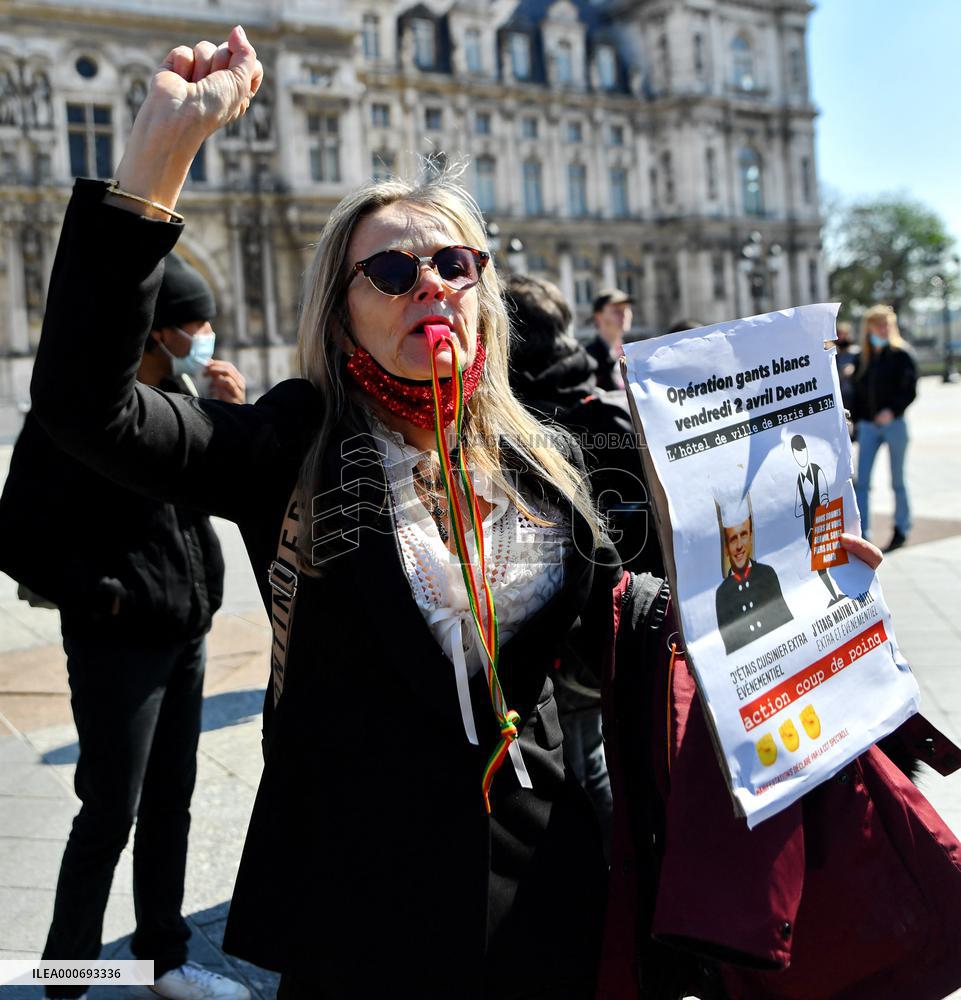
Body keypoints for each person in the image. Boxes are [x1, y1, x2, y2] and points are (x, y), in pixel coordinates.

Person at [28, 27, 620, 999]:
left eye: (454, 263)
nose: (429, 282)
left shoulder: (546, 445)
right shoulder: (298, 442)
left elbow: (639, 614)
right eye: (390, 272)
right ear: (340, 311)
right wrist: (155, 164)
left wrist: (806, 580)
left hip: (550, 890)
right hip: (368, 913)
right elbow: (85, 410)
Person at [0, 255, 249, 1000]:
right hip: (117, 641)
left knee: (173, 799)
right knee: (110, 807)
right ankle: (68, 974)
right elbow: (14, 535)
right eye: (195, 325)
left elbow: (229, 496)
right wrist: (104, 596)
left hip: (187, 628)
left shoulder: (178, 393)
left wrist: (229, 416)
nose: (206, 336)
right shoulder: (71, 412)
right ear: (154, 332)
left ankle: (163, 958)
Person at [852, 304, 918, 552]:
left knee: (897, 480)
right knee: (863, 482)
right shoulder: (863, 359)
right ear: (868, 328)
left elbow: (910, 389)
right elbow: (857, 395)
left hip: (894, 425)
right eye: (878, 324)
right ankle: (863, 532)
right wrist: (856, 419)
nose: (883, 329)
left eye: (886, 324)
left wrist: (892, 410)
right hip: (869, 427)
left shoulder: (902, 355)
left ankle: (901, 527)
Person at [714, 500, 793, 656]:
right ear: (727, 548)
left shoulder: (767, 574)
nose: (739, 546)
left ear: (750, 537)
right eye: (732, 539)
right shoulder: (722, 594)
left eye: (743, 535)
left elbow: (787, 626)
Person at [791, 433, 843, 604]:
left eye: (802, 451)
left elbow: (825, 498)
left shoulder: (816, 471)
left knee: (830, 561)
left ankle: (840, 591)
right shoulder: (799, 479)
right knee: (819, 567)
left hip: (822, 523)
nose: (800, 457)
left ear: (806, 451)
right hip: (809, 529)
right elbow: (799, 508)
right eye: (796, 453)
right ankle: (832, 595)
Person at [585, 288, 633, 391]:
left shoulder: (633, 353)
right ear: (598, 317)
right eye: (617, 311)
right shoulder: (588, 358)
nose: (624, 314)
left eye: (627, 309)